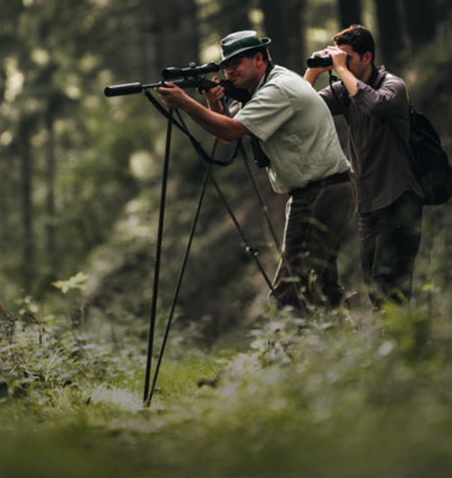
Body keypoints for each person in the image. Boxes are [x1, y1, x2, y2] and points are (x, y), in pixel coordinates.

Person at [156, 30, 355, 309]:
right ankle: (346, 346)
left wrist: (185, 102)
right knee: (322, 289)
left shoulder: (277, 89)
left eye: (236, 62)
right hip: (323, 191)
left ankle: (283, 352)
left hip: (319, 193)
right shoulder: (263, 89)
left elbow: (232, 130)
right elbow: (226, 134)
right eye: (226, 65)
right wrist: (213, 102)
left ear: (259, 59)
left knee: (289, 296)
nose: (230, 70)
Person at [304, 24, 423, 308]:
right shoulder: (343, 90)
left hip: (399, 197)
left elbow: (374, 104)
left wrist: (340, 70)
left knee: (390, 285)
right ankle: (399, 343)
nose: (342, 64)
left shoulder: (393, 86)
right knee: (372, 283)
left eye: (349, 59)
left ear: (367, 57)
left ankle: (405, 344)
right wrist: (314, 71)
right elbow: (300, 106)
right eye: (339, 59)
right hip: (368, 204)